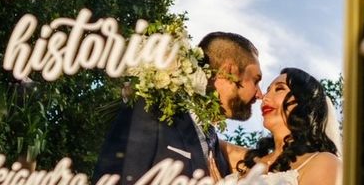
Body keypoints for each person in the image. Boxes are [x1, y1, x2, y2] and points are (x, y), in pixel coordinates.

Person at [92, 31, 263, 184]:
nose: (259, 94)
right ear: (229, 71)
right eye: (255, 80)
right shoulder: (151, 112)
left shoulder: (221, 159)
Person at [223, 68, 341, 185]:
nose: (265, 97)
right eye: (268, 91)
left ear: (303, 100)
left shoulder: (324, 162)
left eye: (279, 89)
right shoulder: (248, 160)